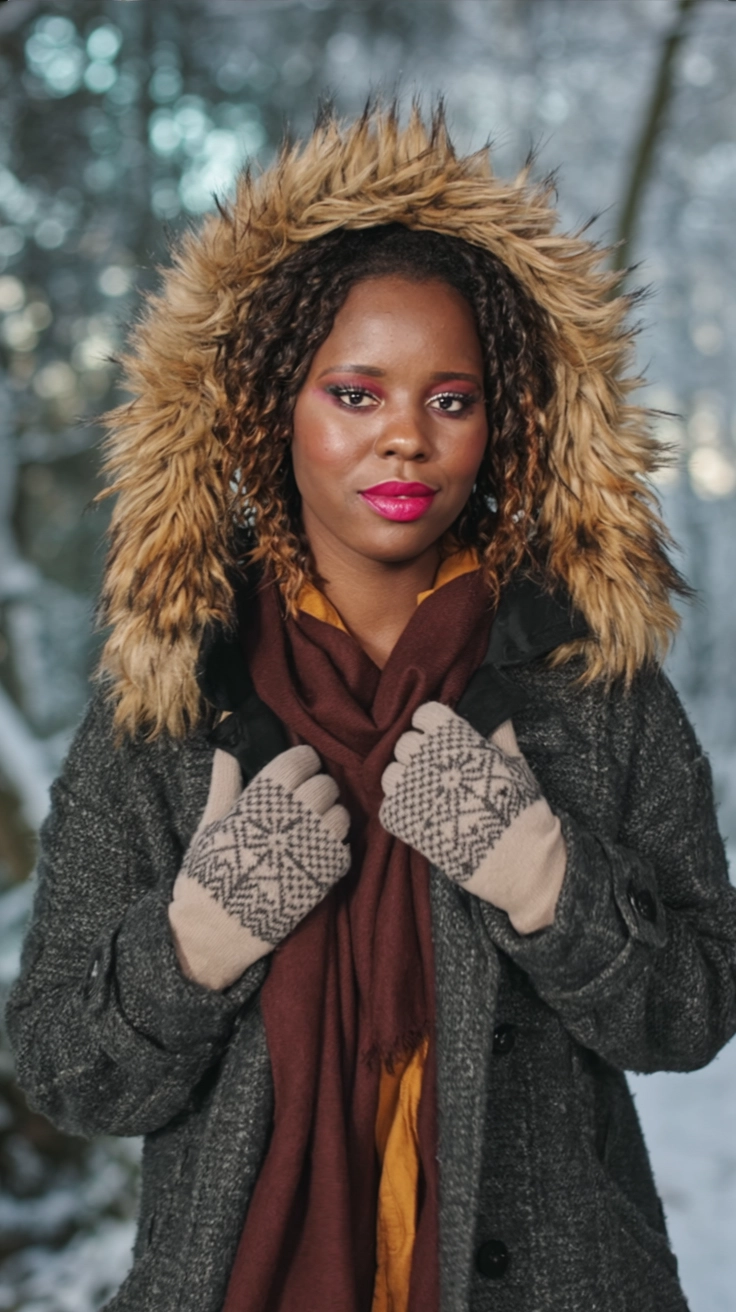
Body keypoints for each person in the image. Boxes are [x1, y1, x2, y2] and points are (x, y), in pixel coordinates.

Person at [6, 104, 736, 1312]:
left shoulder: (587, 681)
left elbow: (695, 1011)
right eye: (355, 393)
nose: (406, 436)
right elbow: (68, 1069)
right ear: (264, 410)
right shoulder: (173, 696)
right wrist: (196, 942)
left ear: (505, 422)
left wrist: (551, 888)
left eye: (451, 400)